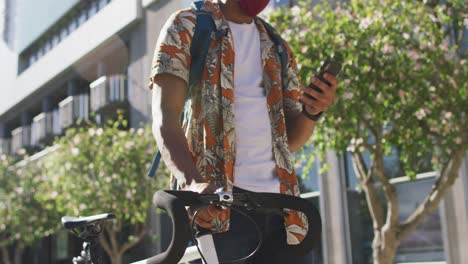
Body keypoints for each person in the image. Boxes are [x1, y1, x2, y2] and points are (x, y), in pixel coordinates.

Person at [149, 0, 339, 263]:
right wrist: (191, 182)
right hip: (220, 210)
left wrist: (312, 112)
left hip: (285, 212)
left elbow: (289, 141)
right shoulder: (186, 27)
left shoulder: (277, 45)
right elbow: (164, 120)